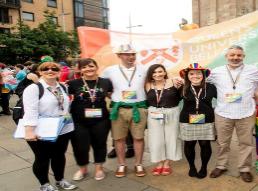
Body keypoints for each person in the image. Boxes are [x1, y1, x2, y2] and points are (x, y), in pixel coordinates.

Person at [208, 45, 258, 182]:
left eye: (239, 55)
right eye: (232, 55)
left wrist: (257, 95)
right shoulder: (216, 72)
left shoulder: (253, 70)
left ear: (243, 56)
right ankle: (221, 165)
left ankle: (244, 169)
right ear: (226, 57)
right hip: (223, 113)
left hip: (246, 113)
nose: (235, 58)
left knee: (245, 143)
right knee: (223, 143)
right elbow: (200, 82)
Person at [23, 62, 76, 191]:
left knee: (59, 155)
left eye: (54, 68)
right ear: (40, 72)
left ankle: (60, 180)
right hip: (41, 130)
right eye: (45, 69)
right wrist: (29, 131)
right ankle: (44, 184)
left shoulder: (62, 87)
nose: (50, 70)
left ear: (59, 72)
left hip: (62, 129)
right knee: (42, 158)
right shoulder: (34, 88)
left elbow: (64, 106)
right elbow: (31, 110)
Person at [102, 44, 148, 177]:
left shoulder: (144, 69)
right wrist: (115, 97)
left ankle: (138, 164)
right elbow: (103, 88)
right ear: (119, 55)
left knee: (139, 138)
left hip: (138, 108)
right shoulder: (109, 70)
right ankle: (121, 164)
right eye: (127, 54)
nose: (131, 57)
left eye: (133, 54)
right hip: (119, 109)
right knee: (119, 138)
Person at [68, 58, 113, 181]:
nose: (88, 69)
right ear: (80, 69)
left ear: (97, 67)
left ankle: (99, 168)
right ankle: (83, 168)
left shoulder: (106, 82)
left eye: (91, 66)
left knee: (100, 144)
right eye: (84, 67)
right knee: (80, 146)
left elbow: (112, 95)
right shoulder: (73, 84)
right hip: (79, 120)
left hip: (101, 120)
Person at [179, 63, 217, 179]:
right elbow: (171, 99)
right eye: (191, 73)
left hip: (206, 120)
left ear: (203, 75)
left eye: (199, 73)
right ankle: (192, 167)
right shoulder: (183, 87)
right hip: (187, 120)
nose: (195, 76)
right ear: (187, 76)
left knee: (205, 144)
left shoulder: (211, 87)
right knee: (189, 144)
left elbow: (224, 98)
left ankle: (204, 167)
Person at [145, 64, 182, 176]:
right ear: (151, 74)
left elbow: (184, 91)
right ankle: (159, 163)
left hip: (172, 112)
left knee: (171, 137)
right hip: (154, 114)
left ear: (165, 72)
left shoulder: (174, 82)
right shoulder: (147, 84)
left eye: (160, 71)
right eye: (154, 72)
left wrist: (180, 80)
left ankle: (167, 163)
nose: (157, 74)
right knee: (156, 139)